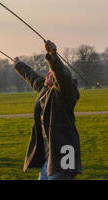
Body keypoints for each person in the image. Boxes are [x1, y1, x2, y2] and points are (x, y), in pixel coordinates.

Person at [14, 40, 82, 180]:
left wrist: (53, 55)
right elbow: (32, 77)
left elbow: (62, 76)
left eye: (50, 74)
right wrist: (18, 64)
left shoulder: (64, 93)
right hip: (50, 154)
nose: (46, 75)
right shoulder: (46, 90)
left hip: (64, 151)